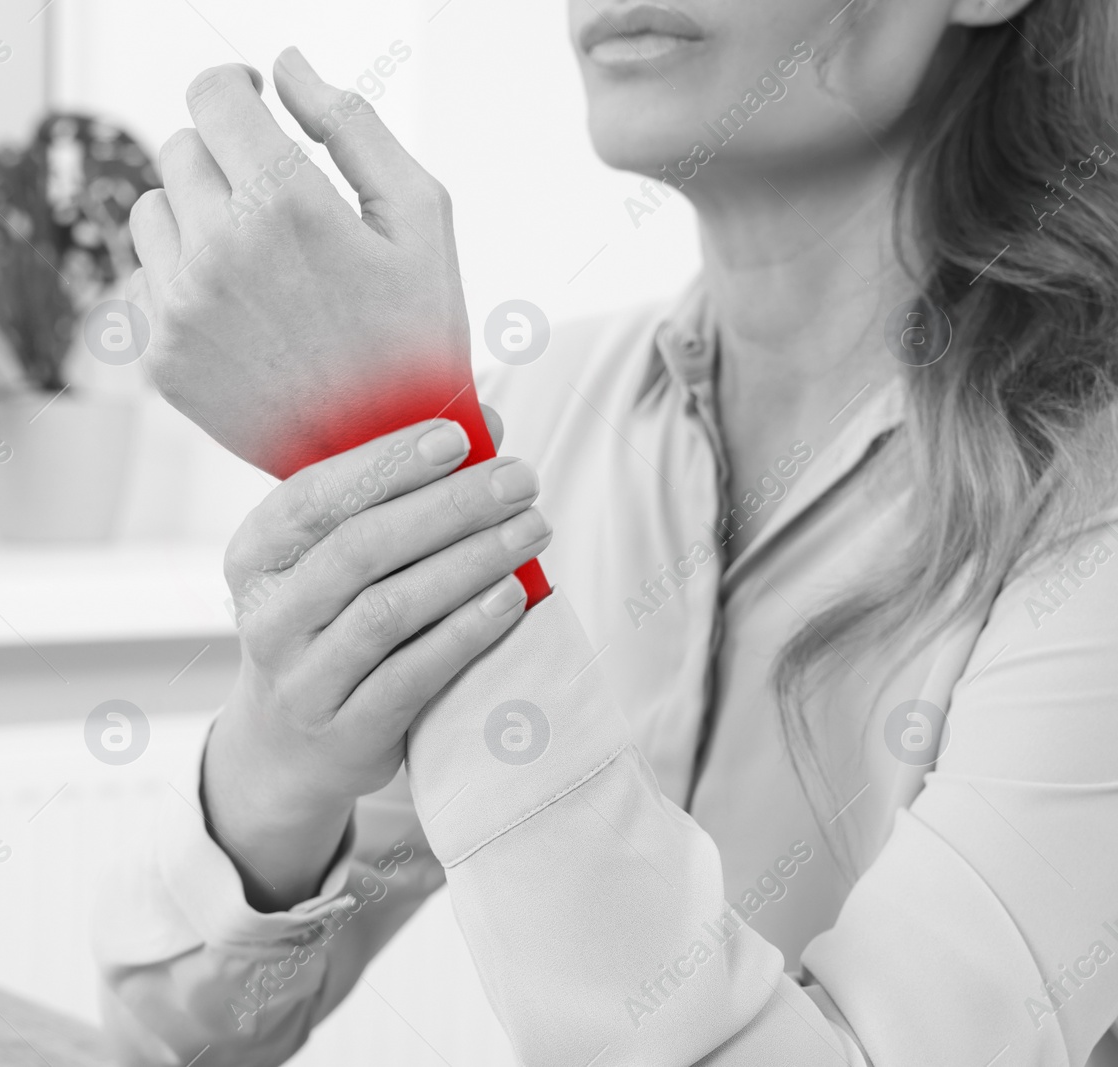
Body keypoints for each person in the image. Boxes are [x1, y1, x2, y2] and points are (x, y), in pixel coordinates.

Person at [98, 0, 1118, 1062]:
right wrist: (289, 749)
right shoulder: (530, 416)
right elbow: (179, 1036)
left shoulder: (1094, 500)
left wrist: (402, 471)